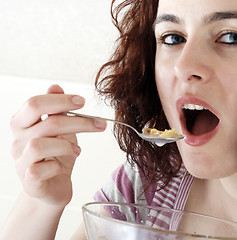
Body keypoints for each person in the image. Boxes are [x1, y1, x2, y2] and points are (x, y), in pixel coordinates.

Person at [1, 0, 237, 239]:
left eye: (230, 37)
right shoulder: (149, 185)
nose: (183, 66)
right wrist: (39, 202)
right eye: (173, 38)